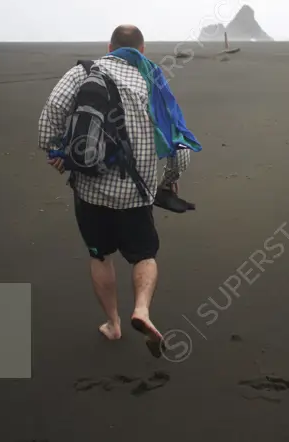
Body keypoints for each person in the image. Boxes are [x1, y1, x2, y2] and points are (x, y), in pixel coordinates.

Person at [38, 24, 195, 357]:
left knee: (100, 254)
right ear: (142, 50)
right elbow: (177, 142)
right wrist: (169, 179)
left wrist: (56, 152)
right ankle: (141, 310)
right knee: (144, 255)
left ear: (109, 47)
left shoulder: (84, 72)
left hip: (91, 189)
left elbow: (52, 113)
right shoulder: (152, 82)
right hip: (137, 194)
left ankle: (113, 324)